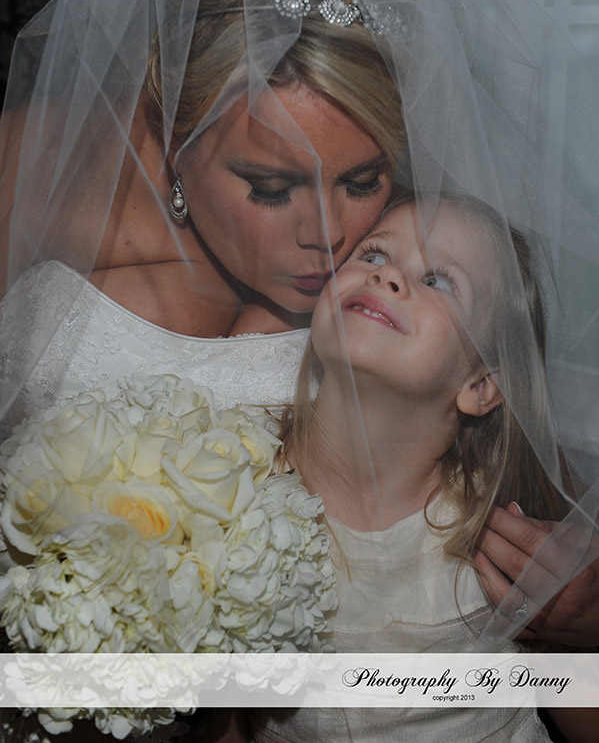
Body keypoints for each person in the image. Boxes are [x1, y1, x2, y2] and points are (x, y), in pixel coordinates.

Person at [0, 0, 596, 680]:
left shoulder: (412, 247)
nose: (331, 236)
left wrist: (579, 612)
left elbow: (514, 459)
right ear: (172, 131)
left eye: (363, 179)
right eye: (271, 187)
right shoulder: (39, 175)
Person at [248, 193, 595, 742]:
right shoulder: (234, 480)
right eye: (373, 255)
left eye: (437, 281)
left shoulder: (498, 539)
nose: (386, 276)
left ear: (482, 385)